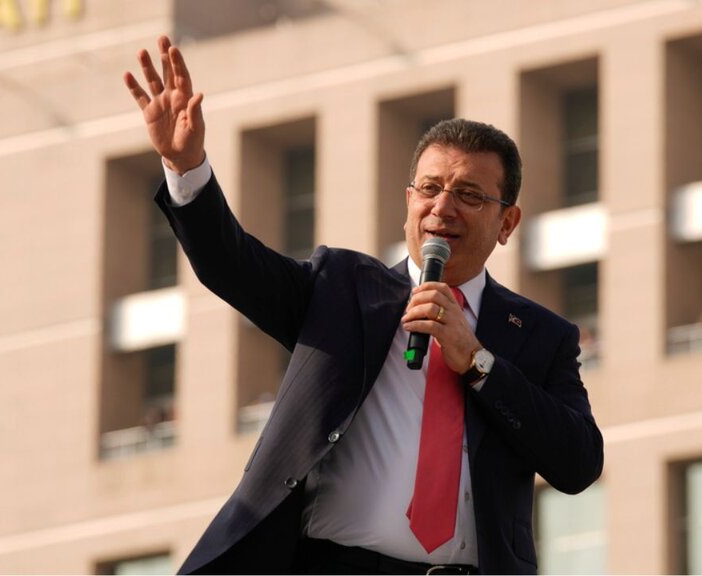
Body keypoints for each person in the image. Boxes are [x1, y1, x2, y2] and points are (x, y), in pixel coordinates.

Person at [123, 36, 603, 575]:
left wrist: (478, 362)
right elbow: (230, 265)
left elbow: (579, 463)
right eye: (430, 188)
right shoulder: (342, 289)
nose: (443, 206)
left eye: (469, 195)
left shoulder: (540, 336)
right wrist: (185, 166)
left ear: (507, 222)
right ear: (409, 202)